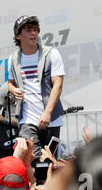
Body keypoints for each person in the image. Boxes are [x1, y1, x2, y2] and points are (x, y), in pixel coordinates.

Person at [8, 15, 65, 165]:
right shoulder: (13, 59)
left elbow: (58, 84)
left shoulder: (51, 53)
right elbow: (10, 82)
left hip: (51, 119)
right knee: (31, 162)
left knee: (50, 162)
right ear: (18, 35)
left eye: (35, 30)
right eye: (28, 30)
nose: (33, 33)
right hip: (26, 119)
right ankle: (35, 189)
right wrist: (13, 89)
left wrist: (47, 112)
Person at [0, 81, 19, 161]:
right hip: (8, 131)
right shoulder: (5, 88)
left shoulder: (31, 85)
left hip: (26, 127)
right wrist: (9, 122)